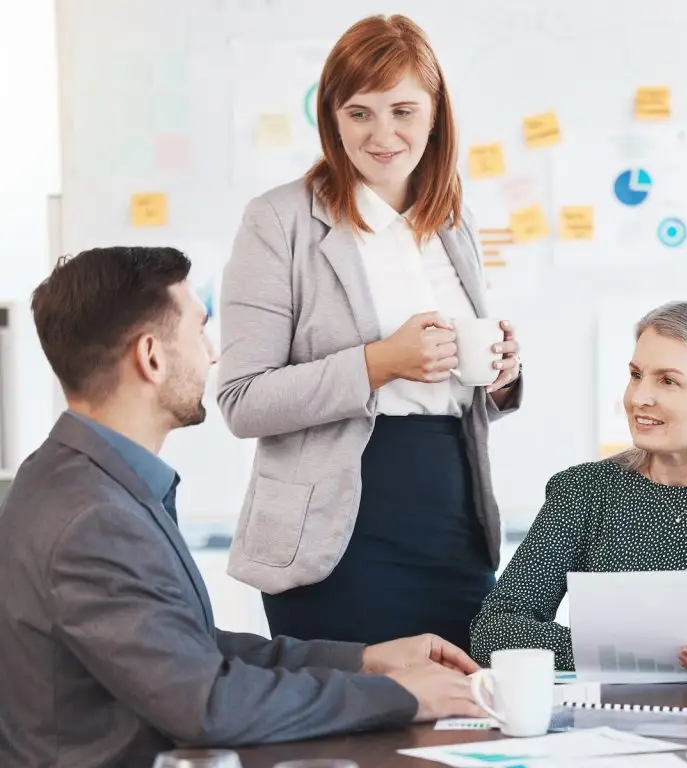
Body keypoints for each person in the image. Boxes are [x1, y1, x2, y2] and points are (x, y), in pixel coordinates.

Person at [0, 247, 487, 768]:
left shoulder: (72, 478)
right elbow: (207, 704)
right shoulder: (94, 518)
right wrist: (407, 698)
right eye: (200, 331)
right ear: (152, 357)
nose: (213, 355)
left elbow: (189, 649)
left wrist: (365, 662)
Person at [218, 14, 522, 650]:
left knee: (460, 723)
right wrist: (378, 363)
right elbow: (243, 401)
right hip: (335, 532)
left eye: (404, 111)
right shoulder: (279, 221)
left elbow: (452, 391)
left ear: (435, 114)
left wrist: (499, 376)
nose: (383, 134)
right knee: (358, 734)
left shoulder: (453, 219)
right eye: (360, 113)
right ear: (332, 118)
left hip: (452, 514)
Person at [470, 301, 687, 683]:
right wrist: (609, 651)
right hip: (607, 720)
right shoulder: (583, 491)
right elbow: (494, 630)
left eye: (667, 381)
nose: (639, 398)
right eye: (636, 375)